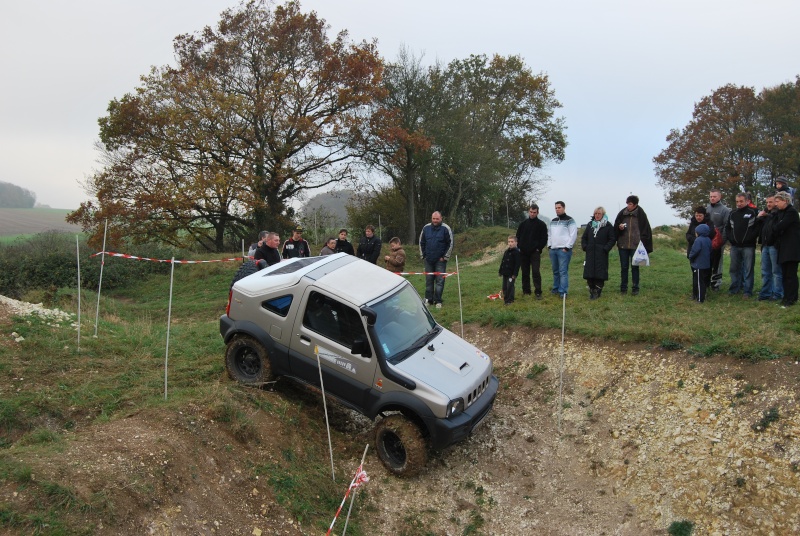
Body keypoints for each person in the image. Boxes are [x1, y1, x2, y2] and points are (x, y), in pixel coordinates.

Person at [613, 195, 653, 296]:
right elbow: (615, 227)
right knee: (624, 267)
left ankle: (635, 288)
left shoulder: (641, 214)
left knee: (635, 267)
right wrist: (619, 228)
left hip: (636, 246)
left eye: (630, 204)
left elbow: (646, 229)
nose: (628, 206)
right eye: (627, 203)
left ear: (635, 205)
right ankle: (623, 288)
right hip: (623, 245)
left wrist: (643, 243)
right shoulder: (622, 213)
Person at [725, 193, 760, 298]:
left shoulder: (753, 212)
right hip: (735, 246)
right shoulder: (732, 213)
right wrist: (731, 238)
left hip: (748, 246)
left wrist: (750, 238)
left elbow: (757, 227)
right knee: (734, 268)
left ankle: (747, 291)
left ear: (747, 201)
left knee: (748, 269)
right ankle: (734, 288)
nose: (739, 203)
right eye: (737, 201)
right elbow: (727, 228)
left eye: (741, 201)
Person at [419, 211, 454, 308]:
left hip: (440, 261)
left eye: (437, 219)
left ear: (441, 218)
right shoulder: (426, 228)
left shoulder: (446, 229)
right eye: (433, 219)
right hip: (428, 260)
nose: (435, 220)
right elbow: (421, 242)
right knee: (429, 280)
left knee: (440, 281)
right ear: (431, 218)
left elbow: (450, 243)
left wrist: (445, 257)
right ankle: (428, 300)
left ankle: (438, 301)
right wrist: (423, 256)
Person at [771, 191, 800, 307]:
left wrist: (776, 226)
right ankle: (786, 297)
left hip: (792, 248)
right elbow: (775, 226)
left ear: (785, 201)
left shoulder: (791, 212)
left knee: (790, 275)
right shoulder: (780, 213)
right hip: (783, 247)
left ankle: (792, 298)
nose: (776, 204)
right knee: (784, 273)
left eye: (777, 201)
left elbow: (779, 226)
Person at [581, 207, 616, 300]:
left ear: (603, 214)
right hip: (590, 252)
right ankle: (591, 289)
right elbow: (584, 238)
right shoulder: (590, 225)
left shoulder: (608, 226)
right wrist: (585, 247)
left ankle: (597, 290)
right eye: (595, 213)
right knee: (589, 272)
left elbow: (612, 239)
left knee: (600, 272)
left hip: (601, 253)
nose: (597, 215)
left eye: (599, 214)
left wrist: (605, 248)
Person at [515, 204, 548, 299]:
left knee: (535, 272)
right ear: (528, 212)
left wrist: (539, 248)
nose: (532, 214)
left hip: (535, 252)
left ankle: (538, 292)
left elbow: (544, 238)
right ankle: (526, 291)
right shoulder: (523, 224)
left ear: (537, 213)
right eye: (531, 212)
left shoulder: (541, 224)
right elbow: (518, 236)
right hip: (523, 252)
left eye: (534, 212)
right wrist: (519, 247)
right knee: (525, 272)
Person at [547, 201, 577, 298]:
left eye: (559, 207)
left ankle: (563, 291)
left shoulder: (570, 220)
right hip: (553, 250)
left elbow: (573, 234)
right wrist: (549, 246)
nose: (557, 209)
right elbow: (550, 234)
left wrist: (567, 247)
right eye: (556, 208)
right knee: (555, 271)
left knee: (563, 271)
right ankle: (555, 288)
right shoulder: (553, 221)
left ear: (564, 208)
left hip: (563, 250)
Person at [757, 194, 783, 302]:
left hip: (774, 246)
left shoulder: (779, 215)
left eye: (771, 202)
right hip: (765, 246)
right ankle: (766, 293)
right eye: (767, 202)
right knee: (765, 271)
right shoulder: (767, 216)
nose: (768, 204)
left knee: (776, 271)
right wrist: (759, 217)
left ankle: (778, 293)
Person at [706, 188, 731, 291]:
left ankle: (716, 283)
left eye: (714, 196)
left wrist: (722, 240)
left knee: (718, 263)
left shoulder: (725, 210)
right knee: (707, 261)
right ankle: (707, 281)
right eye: (711, 196)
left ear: (719, 197)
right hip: (707, 240)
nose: (712, 198)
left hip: (719, 240)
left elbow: (726, 226)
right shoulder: (707, 209)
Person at [689, 224, 713, 303]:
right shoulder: (708, 239)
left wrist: (691, 257)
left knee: (699, 282)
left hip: (699, 264)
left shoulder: (698, 240)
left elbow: (695, 251)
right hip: (706, 264)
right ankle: (698, 295)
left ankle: (700, 299)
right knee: (703, 281)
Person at [499, 235, 521, 305]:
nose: (510, 243)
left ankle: (509, 300)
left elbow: (517, 265)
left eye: (512, 242)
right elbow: (503, 261)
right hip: (505, 272)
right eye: (509, 242)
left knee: (510, 287)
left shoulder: (517, 252)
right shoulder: (506, 251)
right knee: (504, 287)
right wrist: (500, 271)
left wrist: (515, 274)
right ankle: (507, 298)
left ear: (516, 242)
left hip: (511, 274)